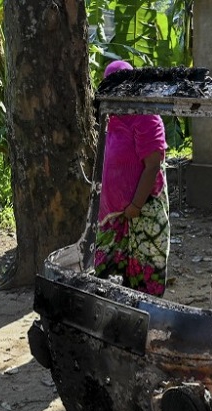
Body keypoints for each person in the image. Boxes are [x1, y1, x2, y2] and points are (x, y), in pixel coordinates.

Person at [93, 60, 170, 296]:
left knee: (144, 280)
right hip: (112, 215)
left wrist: (135, 205)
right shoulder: (111, 118)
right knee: (108, 279)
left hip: (143, 210)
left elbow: (152, 166)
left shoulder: (146, 117)